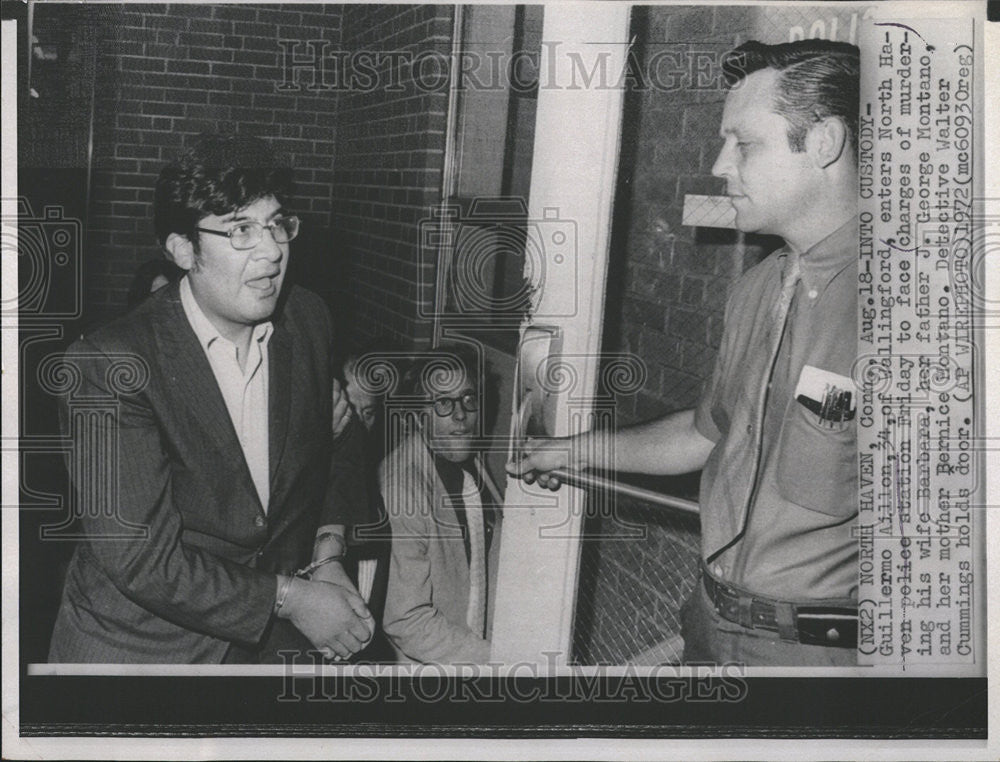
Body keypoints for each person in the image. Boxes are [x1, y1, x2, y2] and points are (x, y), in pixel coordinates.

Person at [509, 40, 861, 666]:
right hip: (713, 627)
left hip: (818, 663)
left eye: (744, 143)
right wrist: (568, 449)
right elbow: (707, 434)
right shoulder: (758, 288)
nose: (722, 164)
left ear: (826, 142)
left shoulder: (913, 311)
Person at [48, 133, 374, 663]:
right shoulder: (109, 365)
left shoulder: (308, 318)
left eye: (276, 224)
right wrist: (291, 599)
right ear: (183, 250)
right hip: (143, 649)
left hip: (269, 646)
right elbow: (141, 559)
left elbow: (337, 441)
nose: (271, 251)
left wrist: (327, 552)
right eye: (240, 230)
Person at [381, 345, 502, 664]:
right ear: (419, 416)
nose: (461, 415)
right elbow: (406, 620)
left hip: (472, 650)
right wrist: (501, 661)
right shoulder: (402, 488)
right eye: (443, 403)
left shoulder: (471, 462)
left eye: (468, 399)